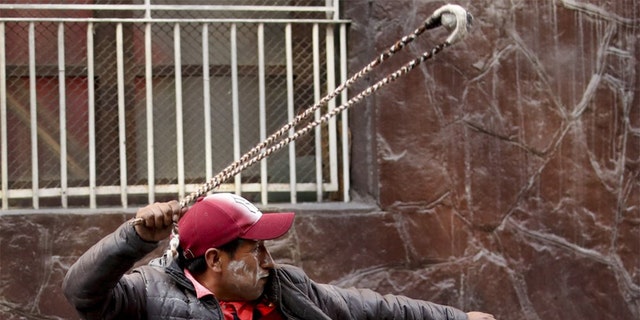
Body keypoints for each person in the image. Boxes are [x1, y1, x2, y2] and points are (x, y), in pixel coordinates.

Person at [63, 193, 496, 320]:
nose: (268, 260)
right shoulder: (149, 294)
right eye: (256, 249)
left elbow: (373, 307)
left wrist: (459, 319)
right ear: (215, 260)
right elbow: (82, 293)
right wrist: (133, 237)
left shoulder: (286, 287)